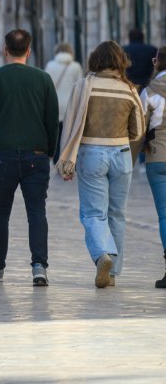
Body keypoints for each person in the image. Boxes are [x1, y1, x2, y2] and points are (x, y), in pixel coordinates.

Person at [57, 41, 145, 288]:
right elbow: (138, 130)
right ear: (120, 61)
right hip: (122, 155)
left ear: (95, 60)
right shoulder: (129, 90)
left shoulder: (85, 85)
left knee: (94, 213)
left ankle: (102, 255)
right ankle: (113, 271)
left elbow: (71, 123)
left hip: (92, 154)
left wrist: (66, 162)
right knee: (117, 214)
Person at [0, 29, 58, 287]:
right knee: (37, 211)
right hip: (36, 156)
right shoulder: (43, 79)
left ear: (5, 50)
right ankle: (39, 266)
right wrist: (49, 151)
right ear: (29, 50)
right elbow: (51, 120)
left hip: (3, 155)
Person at [141, 46, 166, 288]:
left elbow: (138, 127)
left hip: (157, 157)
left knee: (165, 215)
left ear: (157, 63)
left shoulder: (149, 92)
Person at [44, 42, 83, 162]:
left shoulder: (50, 65)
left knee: (57, 134)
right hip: (70, 105)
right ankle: (68, 159)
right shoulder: (76, 66)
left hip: (54, 105)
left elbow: (46, 86)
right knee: (69, 134)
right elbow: (80, 87)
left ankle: (56, 159)